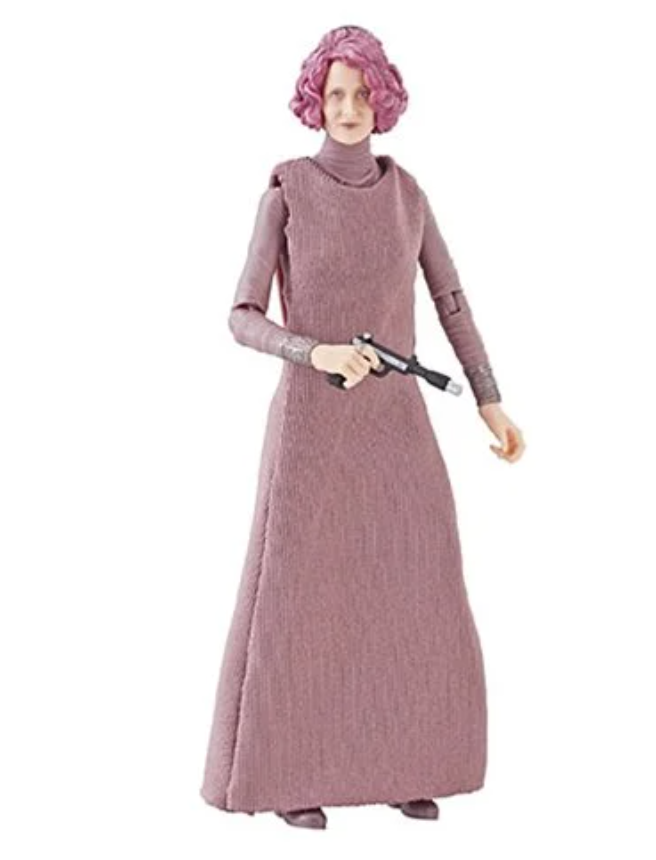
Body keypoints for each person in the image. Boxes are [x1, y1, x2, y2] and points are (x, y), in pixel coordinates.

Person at [200, 24, 526, 831]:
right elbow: (241, 315)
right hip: (313, 429)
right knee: (304, 600)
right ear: (315, 102)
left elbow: (451, 301)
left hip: (396, 427)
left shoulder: (408, 195)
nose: (347, 108)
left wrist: (488, 398)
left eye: (361, 94)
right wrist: (313, 351)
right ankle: (288, 773)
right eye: (334, 94)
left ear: (383, 101)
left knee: (411, 588)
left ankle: (407, 763)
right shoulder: (286, 192)